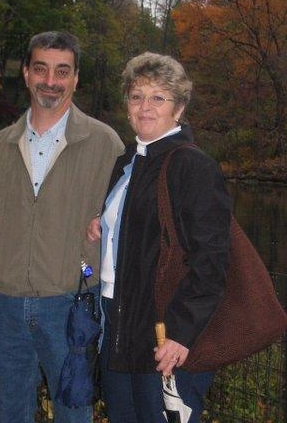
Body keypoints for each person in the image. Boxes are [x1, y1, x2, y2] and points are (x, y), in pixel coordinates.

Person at [0, 31, 124, 423]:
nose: (51, 81)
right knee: (10, 409)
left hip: (72, 304)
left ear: (76, 78)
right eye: (41, 69)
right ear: (26, 73)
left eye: (62, 71)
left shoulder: (105, 144)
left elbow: (125, 217)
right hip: (4, 303)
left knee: (73, 411)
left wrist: (89, 262)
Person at [87, 52, 231, 423]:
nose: (145, 107)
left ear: (179, 109)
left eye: (158, 98)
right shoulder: (129, 160)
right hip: (117, 323)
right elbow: (142, 229)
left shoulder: (193, 166)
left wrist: (181, 334)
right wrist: (104, 226)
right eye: (137, 97)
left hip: (164, 334)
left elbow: (211, 262)